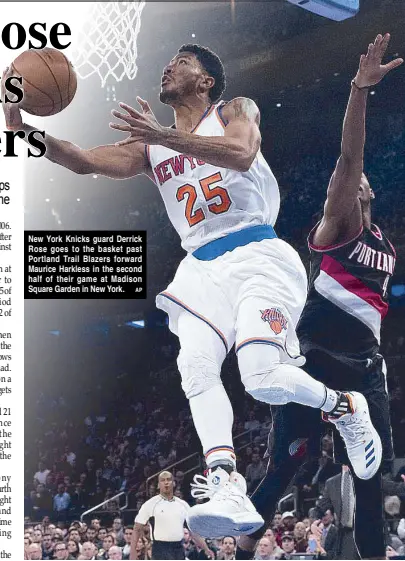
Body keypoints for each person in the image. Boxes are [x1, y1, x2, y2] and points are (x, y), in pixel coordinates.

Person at [3, 42, 386, 538]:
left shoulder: (233, 109)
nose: (168, 67)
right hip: (200, 268)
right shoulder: (150, 147)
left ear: (205, 81)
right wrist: (22, 128)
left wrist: (163, 135)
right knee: (195, 369)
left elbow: (243, 154)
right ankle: (225, 480)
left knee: (261, 377)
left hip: (257, 256)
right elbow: (82, 161)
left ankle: (346, 408)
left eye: (181, 63)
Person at [236, 33, 402, 560]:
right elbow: (349, 154)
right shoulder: (337, 226)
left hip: (365, 368)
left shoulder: (383, 241)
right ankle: (241, 551)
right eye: (346, 180)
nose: (353, 182)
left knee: (373, 479)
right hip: (316, 364)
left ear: (371, 193)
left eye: (360, 182)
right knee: (287, 466)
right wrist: (359, 90)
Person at [131, 471, 212, 560]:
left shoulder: (183, 505)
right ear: (158, 485)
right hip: (160, 549)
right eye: (163, 480)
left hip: (178, 548)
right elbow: (137, 528)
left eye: (169, 480)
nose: (166, 482)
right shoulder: (150, 504)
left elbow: (193, 531)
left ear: (173, 483)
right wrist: (133, 552)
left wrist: (206, 548)